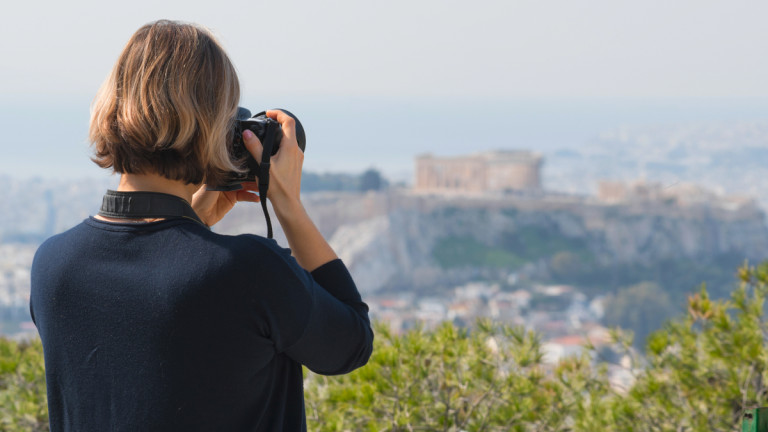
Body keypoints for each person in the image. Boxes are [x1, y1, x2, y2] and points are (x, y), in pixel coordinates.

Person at [29, 20, 373, 432]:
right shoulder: (249, 271)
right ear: (213, 126)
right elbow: (351, 344)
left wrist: (194, 223)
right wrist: (288, 204)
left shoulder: (53, 266)